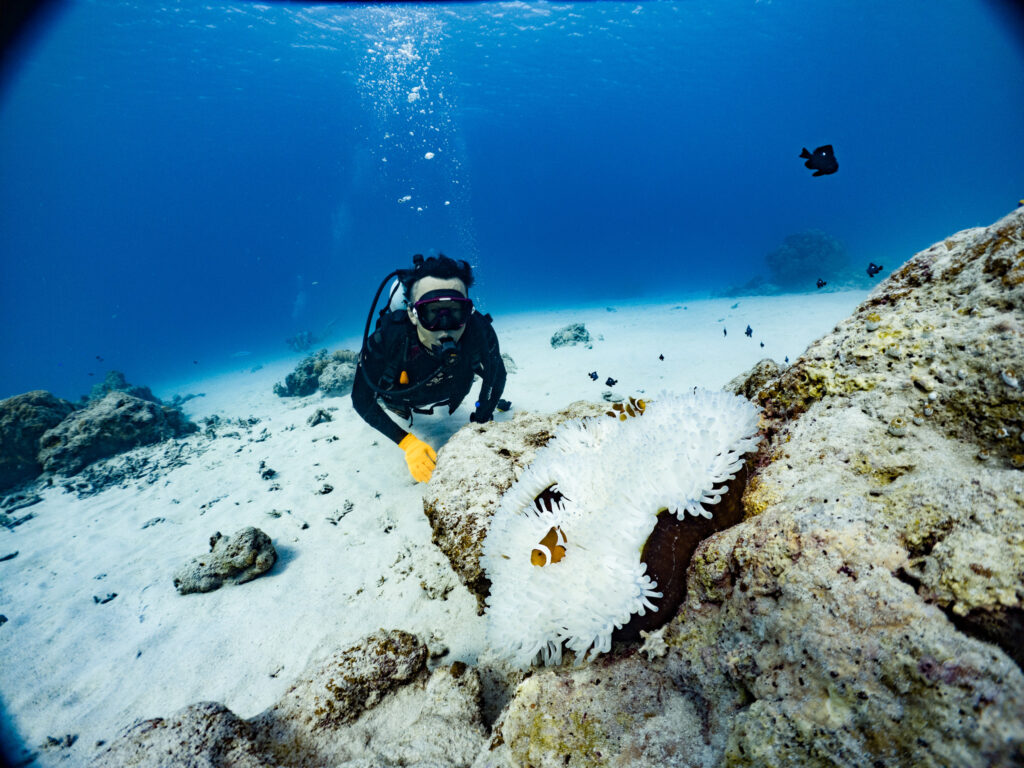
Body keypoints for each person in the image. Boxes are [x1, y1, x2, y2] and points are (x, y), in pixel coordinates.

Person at [352, 254, 507, 483]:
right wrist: (407, 442)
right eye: (432, 313)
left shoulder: (478, 332)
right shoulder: (387, 339)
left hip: (452, 390)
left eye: (455, 312)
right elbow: (361, 399)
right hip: (401, 401)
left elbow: (498, 375)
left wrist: (484, 412)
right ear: (412, 314)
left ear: (468, 312)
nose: (444, 328)